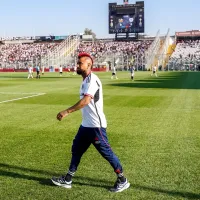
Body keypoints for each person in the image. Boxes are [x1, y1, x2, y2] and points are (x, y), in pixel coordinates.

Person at [51, 52, 130, 193]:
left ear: (89, 65)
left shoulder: (92, 80)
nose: (77, 65)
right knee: (76, 150)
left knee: (107, 153)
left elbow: (86, 101)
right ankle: (68, 179)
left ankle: (122, 180)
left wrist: (67, 111)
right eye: (78, 63)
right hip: (86, 125)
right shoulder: (85, 80)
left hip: (95, 126)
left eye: (80, 63)